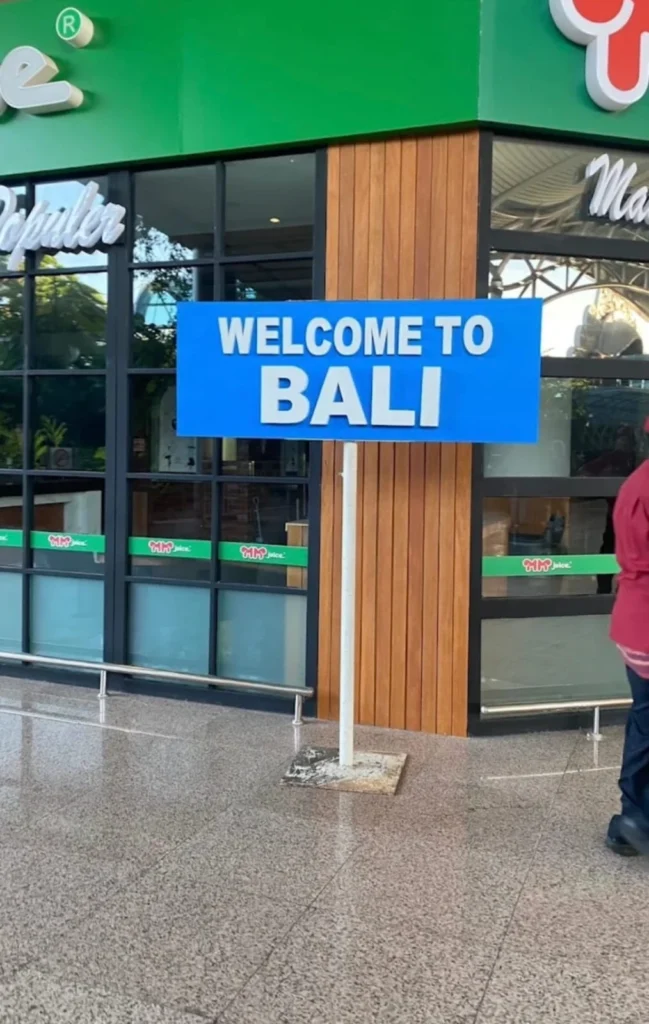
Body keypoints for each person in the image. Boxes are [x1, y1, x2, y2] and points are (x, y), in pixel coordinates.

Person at [607, 427, 649, 856]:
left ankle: (631, 819)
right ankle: (634, 817)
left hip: (636, 623)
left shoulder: (636, 483)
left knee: (645, 718)